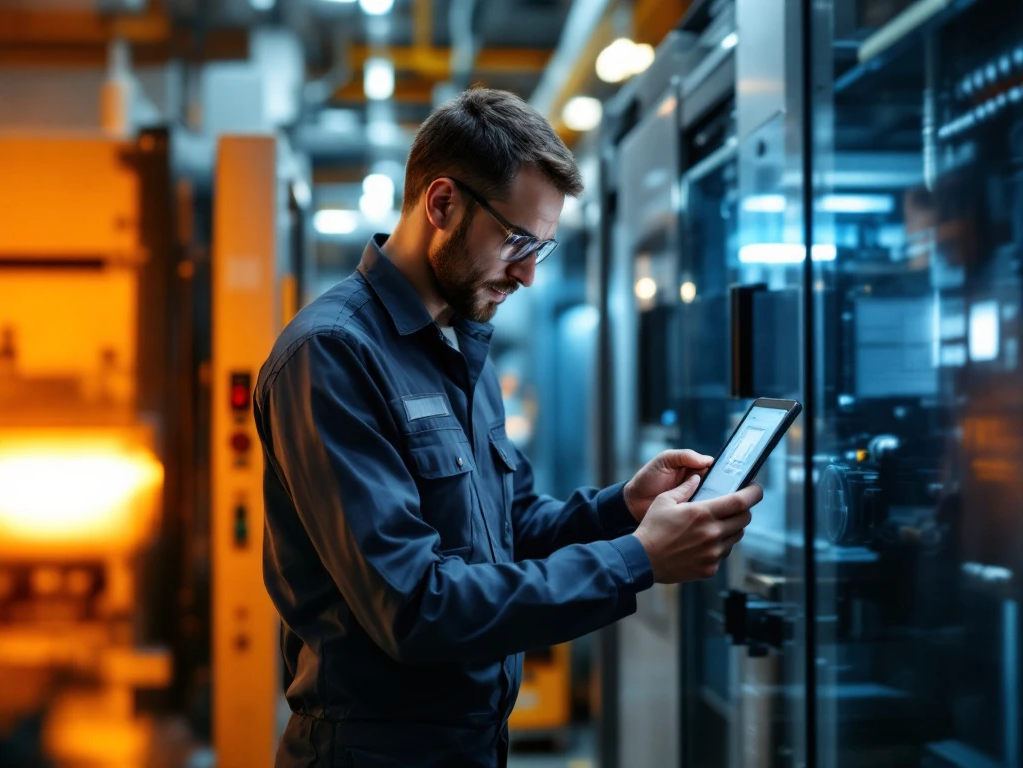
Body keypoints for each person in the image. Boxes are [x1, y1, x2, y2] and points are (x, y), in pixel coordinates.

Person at [254, 87, 762, 768]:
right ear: (442, 204)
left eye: (541, 249)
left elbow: (510, 526)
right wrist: (636, 560)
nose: (525, 273)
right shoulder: (331, 356)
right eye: (517, 241)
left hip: (476, 745)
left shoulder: (461, 341)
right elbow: (414, 605)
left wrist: (624, 509)